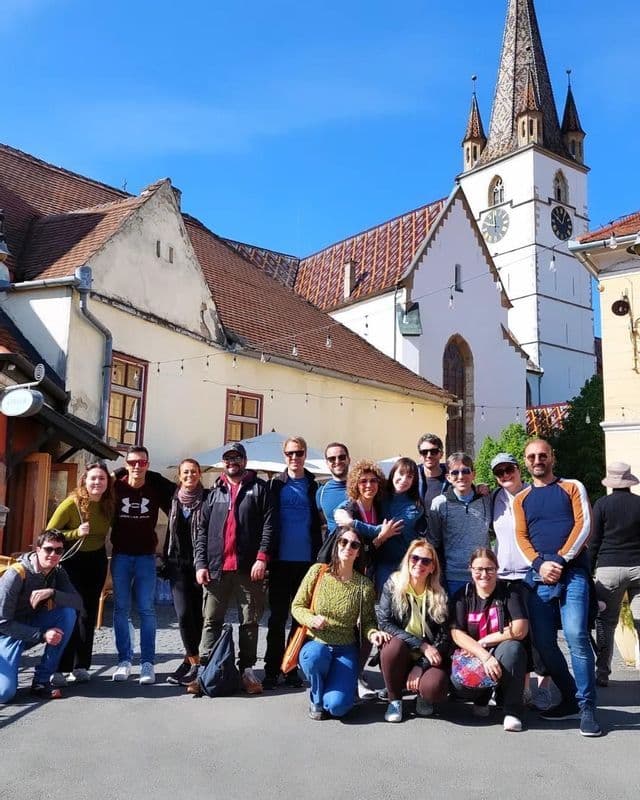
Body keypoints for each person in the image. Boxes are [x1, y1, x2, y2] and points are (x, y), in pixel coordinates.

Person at [514, 438, 601, 737]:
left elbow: (584, 525)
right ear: (526, 462)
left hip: (572, 573)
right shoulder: (521, 498)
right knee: (544, 643)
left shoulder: (572, 486)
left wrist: (561, 560)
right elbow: (521, 536)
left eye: (542, 455)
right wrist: (539, 565)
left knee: (576, 635)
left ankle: (587, 707)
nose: (537, 460)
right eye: (531, 457)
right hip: (539, 577)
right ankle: (569, 696)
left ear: (552, 457)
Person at [193, 442, 273, 695]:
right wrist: (200, 563)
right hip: (216, 568)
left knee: (249, 621)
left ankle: (247, 670)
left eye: (236, 458)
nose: (232, 462)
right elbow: (202, 531)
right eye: (227, 459)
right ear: (223, 463)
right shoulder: (213, 491)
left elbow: (269, 527)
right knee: (210, 621)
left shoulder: (260, 489)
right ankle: (204, 670)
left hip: (248, 568)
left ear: (245, 460)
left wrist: (262, 558)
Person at [291, 527, 389, 719]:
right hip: (316, 643)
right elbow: (297, 606)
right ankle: (316, 699)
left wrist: (373, 634)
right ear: (336, 545)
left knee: (337, 707)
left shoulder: (364, 586)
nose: (348, 547)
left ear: (359, 551)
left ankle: (341, 686)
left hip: (345, 649)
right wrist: (311, 619)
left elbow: (368, 622)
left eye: (354, 544)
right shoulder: (318, 572)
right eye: (343, 542)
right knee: (315, 657)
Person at [490, 452, 551, 709]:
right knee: (514, 635)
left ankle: (544, 686)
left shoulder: (533, 494)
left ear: (518, 469)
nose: (505, 475)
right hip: (504, 575)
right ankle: (521, 687)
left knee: (541, 633)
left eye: (509, 469)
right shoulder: (493, 498)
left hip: (532, 572)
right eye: (500, 472)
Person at [46, 461, 115, 685]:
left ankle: (81, 666)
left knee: (88, 613)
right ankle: (58, 667)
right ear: (84, 480)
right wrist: (76, 532)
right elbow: (49, 534)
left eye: (102, 478)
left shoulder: (107, 505)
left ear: (107, 483)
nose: (97, 482)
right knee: (68, 613)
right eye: (93, 478)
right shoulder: (71, 503)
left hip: (96, 560)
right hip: (71, 563)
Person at [111, 445, 174, 685]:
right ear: (126, 464)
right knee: (120, 609)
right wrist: (115, 473)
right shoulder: (116, 486)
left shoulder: (155, 487)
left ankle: (147, 662)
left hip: (146, 557)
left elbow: (178, 503)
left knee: (147, 610)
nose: (138, 466)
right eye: (133, 462)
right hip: (121, 556)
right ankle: (124, 660)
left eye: (143, 462)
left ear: (148, 464)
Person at [263, 436, 322, 689]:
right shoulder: (275, 485)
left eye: (298, 453)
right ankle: (271, 669)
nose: (294, 458)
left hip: (306, 563)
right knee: (276, 619)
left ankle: (291, 668)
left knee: (301, 620)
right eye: (290, 454)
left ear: (305, 454)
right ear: (283, 456)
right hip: (279, 561)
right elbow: (265, 522)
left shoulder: (313, 485)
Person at [450, 548, 528, 732]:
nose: (484, 574)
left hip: (500, 655)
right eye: (478, 569)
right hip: (474, 657)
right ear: (470, 569)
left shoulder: (509, 592)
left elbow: (520, 629)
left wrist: (485, 641)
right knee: (457, 684)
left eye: (489, 569)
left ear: (497, 569)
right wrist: (483, 654)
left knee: (513, 649)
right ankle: (481, 697)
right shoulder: (463, 594)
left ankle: (511, 710)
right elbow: (456, 633)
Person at [0, 530, 82, 702]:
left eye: (58, 551)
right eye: (48, 549)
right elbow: (3, 623)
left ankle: (41, 681)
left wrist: (52, 592)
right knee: (4, 694)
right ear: (37, 550)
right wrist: (42, 635)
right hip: (6, 634)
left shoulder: (57, 571)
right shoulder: (15, 574)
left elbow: (77, 602)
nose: (53, 555)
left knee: (68, 613)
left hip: (30, 625)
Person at [377, 540, 450, 722]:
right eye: (415, 558)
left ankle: (422, 695)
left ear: (433, 567)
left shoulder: (439, 594)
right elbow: (384, 622)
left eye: (426, 561)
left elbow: (444, 636)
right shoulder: (393, 584)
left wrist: (421, 665)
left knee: (435, 687)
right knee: (393, 644)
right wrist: (421, 645)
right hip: (400, 654)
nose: (419, 564)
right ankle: (394, 700)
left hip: (428, 659)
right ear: (407, 560)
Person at [339, 457, 426, 594]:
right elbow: (357, 500)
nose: (404, 480)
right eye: (401, 474)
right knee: (381, 605)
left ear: (414, 481)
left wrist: (352, 523)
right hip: (380, 562)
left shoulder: (414, 506)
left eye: (409, 476)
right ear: (392, 474)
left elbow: (387, 528)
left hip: (404, 563)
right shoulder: (382, 496)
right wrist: (340, 509)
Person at [588, 462, 640, 688]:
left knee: (606, 622)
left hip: (609, 568)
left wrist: (588, 570)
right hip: (639, 566)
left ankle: (602, 671)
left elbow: (594, 541)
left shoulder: (602, 504)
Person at [162, 458, 208, 686]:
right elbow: (149, 478)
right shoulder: (172, 498)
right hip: (177, 564)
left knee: (198, 616)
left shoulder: (208, 498)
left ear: (200, 474)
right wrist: (118, 472)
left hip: (201, 565)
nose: (190, 476)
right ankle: (194, 660)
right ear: (179, 476)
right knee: (183, 615)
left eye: (194, 472)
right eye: (185, 472)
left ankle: (191, 661)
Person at [428, 453, 492, 597]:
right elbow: (433, 541)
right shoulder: (440, 504)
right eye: (455, 472)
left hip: (484, 575)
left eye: (466, 471)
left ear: (473, 474)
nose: (461, 476)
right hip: (453, 577)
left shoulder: (486, 500)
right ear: (448, 477)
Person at [316, 442, 350, 537]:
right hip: (333, 548)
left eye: (342, 457)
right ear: (327, 463)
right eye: (332, 459)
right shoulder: (321, 492)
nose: (337, 461)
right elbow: (323, 522)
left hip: (360, 548)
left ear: (349, 459)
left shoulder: (361, 487)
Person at [416, 433, 448, 511]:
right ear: (420, 456)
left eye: (434, 451)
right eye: (424, 452)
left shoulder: (453, 476)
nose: (429, 455)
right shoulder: (412, 477)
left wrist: (480, 487)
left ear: (441, 454)